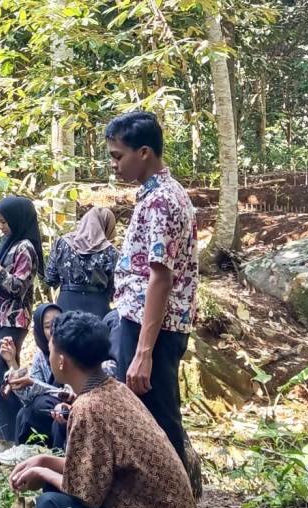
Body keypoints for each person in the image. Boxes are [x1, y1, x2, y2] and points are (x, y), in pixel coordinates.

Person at [10, 312, 204, 508]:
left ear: (62, 361)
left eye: (51, 349)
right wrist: (44, 460)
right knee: (54, 488)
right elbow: (93, 469)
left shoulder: (90, 408)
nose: (49, 355)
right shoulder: (115, 390)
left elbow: (86, 494)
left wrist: (43, 473)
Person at [107, 111, 198, 481]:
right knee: (144, 414)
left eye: (117, 156)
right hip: (141, 320)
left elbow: (160, 276)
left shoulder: (161, 200)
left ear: (144, 152)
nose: (113, 165)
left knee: (157, 416)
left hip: (154, 328)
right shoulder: (156, 196)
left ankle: (176, 505)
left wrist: (144, 351)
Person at [0, 196, 44, 458]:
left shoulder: (25, 247)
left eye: (4, 222)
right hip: (0, 316)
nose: (1, 227)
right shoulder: (9, 243)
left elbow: (18, 286)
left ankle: (17, 438)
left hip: (14, 319)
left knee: (9, 376)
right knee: (0, 373)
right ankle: (3, 437)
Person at [0, 303, 66, 466]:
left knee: (41, 404)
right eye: (49, 327)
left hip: (67, 408)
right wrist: (12, 361)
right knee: (26, 410)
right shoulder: (41, 356)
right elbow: (28, 397)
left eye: (59, 324)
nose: (55, 331)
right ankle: (27, 449)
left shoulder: (72, 352)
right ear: (41, 332)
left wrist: (34, 384)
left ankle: (36, 451)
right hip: (48, 410)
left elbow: (68, 392)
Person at [45, 206, 119, 317]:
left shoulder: (62, 243)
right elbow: (115, 288)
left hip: (66, 304)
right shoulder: (111, 252)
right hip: (98, 307)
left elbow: (50, 278)